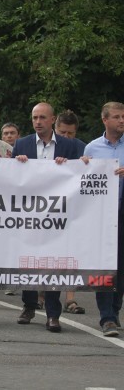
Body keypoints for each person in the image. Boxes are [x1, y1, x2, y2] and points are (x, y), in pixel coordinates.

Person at [12, 102, 80, 333]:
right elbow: (9, 178)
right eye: (34, 118)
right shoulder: (22, 144)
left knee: (53, 263)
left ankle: (53, 314)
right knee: (29, 260)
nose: (38, 122)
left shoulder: (70, 146)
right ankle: (29, 306)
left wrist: (71, 165)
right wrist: (16, 164)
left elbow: (84, 170)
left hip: (57, 215)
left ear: (53, 120)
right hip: (30, 214)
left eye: (42, 117)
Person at [84, 101, 124, 337]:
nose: (121, 121)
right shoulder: (92, 148)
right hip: (102, 215)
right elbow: (81, 179)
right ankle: (106, 317)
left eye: (123, 117)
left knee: (121, 266)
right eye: (117, 117)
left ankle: (115, 310)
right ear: (105, 120)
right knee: (104, 264)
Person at [52, 109, 87, 315]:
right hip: (48, 208)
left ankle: (70, 298)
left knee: (70, 252)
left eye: (70, 134)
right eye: (63, 132)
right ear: (56, 129)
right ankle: (42, 293)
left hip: (72, 207)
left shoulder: (82, 148)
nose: (66, 137)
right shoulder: (48, 147)